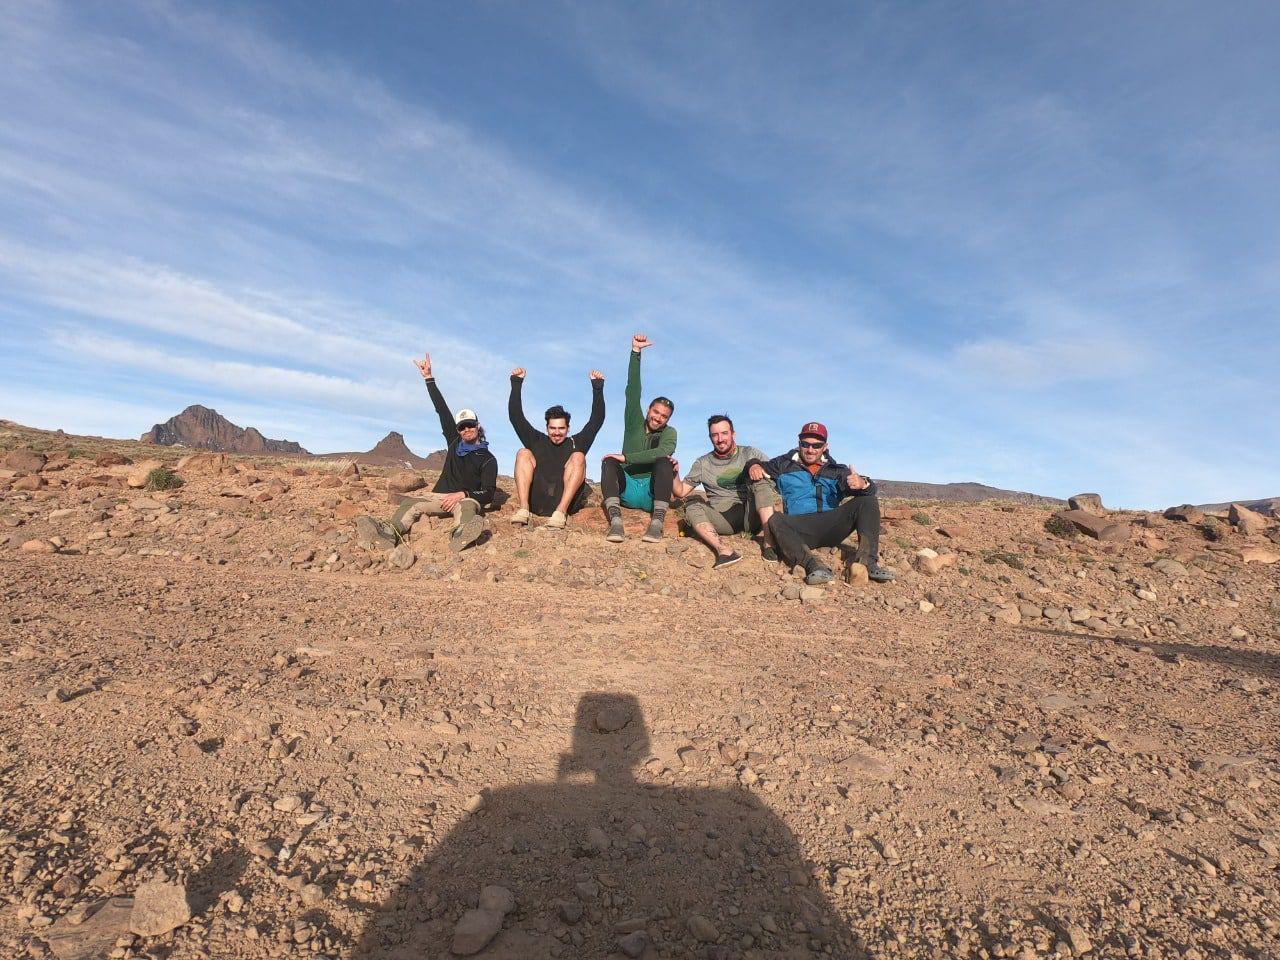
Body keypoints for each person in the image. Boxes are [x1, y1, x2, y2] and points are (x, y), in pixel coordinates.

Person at [354, 352, 495, 553]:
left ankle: (460, 535)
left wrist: (463, 494)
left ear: (478, 426)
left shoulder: (488, 459)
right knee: (411, 503)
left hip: (464, 499)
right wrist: (429, 378)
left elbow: (488, 493)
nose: (466, 430)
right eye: (462, 427)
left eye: (470, 425)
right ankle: (389, 533)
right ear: (457, 430)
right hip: (439, 497)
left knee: (467, 508)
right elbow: (442, 410)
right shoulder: (454, 442)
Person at [745, 421, 897, 585]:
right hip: (798, 528)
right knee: (775, 519)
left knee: (868, 500)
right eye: (805, 444)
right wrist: (753, 465)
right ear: (799, 443)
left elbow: (869, 490)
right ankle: (813, 566)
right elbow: (754, 466)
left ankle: (868, 563)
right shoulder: (783, 464)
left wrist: (863, 483)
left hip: (831, 527)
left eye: (816, 445)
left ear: (825, 446)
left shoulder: (837, 470)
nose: (810, 450)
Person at [671, 414, 780, 568]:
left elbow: (775, 477)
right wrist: (674, 473)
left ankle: (769, 542)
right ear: (710, 437)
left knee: (759, 478)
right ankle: (723, 551)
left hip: (753, 515)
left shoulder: (750, 453)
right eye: (715, 435)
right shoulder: (703, 463)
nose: (720, 439)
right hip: (725, 520)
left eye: (724, 433)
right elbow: (681, 492)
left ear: (733, 434)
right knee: (691, 504)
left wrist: (757, 467)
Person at [600, 333, 676, 543]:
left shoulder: (669, 433)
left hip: (652, 494)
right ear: (648, 409)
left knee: (664, 462)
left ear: (668, 419)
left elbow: (663, 451)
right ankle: (616, 522)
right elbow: (633, 390)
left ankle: (657, 523)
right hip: (628, 488)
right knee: (609, 462)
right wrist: (636, 352)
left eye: (664, 416)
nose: (658, 418)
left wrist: (627, 457)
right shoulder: (634, 421)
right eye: (656, 412)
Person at [507, 366, 606, 528]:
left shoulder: (577, 442)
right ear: (547, 428)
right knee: (523, 453)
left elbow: (597, 419)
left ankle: (560, 512)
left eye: (561, 428)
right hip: (536, 502)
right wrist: (516, 382)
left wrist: (597, 387)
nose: (557, 432)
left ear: (568, 429)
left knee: (578, 456)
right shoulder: (536, 440)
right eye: (553, 428)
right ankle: (523, 509)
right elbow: (516, 416)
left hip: (565, 506)